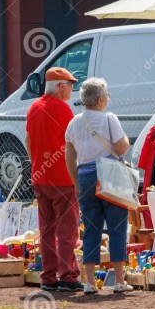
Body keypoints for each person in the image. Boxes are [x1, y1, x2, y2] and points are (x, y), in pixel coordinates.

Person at [64, 77, 134, 295]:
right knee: (117, 226)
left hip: (84, 175)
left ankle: (90, 281)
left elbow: (69, 155)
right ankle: (119, 280)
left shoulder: (74, 123)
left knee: (91, 229)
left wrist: (76, 182)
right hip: (109, 175)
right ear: (101, 99)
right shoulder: (109, 118)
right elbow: (122, 148)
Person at [25, 67, 82, 292]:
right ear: (60, 86)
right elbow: (73, 144)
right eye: (69, 85)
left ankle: (48, 276)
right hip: (62, 177)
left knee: (47, 228)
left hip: (41, 176)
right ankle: (68, 276)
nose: (72, 89)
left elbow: (28, 140)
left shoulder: (34, 107)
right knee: (67, 230)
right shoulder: (62, 109)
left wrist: (37, 164)